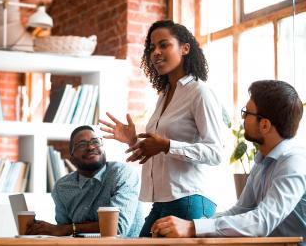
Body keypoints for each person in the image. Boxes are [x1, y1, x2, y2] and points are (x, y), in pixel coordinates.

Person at [99, 20, 225, 237]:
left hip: (190, 199)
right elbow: (160, 148)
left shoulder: (199, 93)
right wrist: (133, 141)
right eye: (151, 48)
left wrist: (166, 145)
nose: (156, 52)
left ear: (185, 48)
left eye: (164, 45)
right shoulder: (165, 95)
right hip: (163, 201)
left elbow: (215, 153)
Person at [151, 80, 305, 240]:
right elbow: (240, 211)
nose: (243, 117)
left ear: (265, 125)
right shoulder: (263, 161)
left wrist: (192, 227)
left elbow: (261, 221)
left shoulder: (294, 162)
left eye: (247, 113)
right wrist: (190, 225)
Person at [26, 125, 144, 237]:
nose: (91, 147)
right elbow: (62, 233)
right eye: (82, 145)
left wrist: (67, 229)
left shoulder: (122, 174)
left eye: (96, 142)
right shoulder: (62, 187)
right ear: (71, 158)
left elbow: (117, 228)